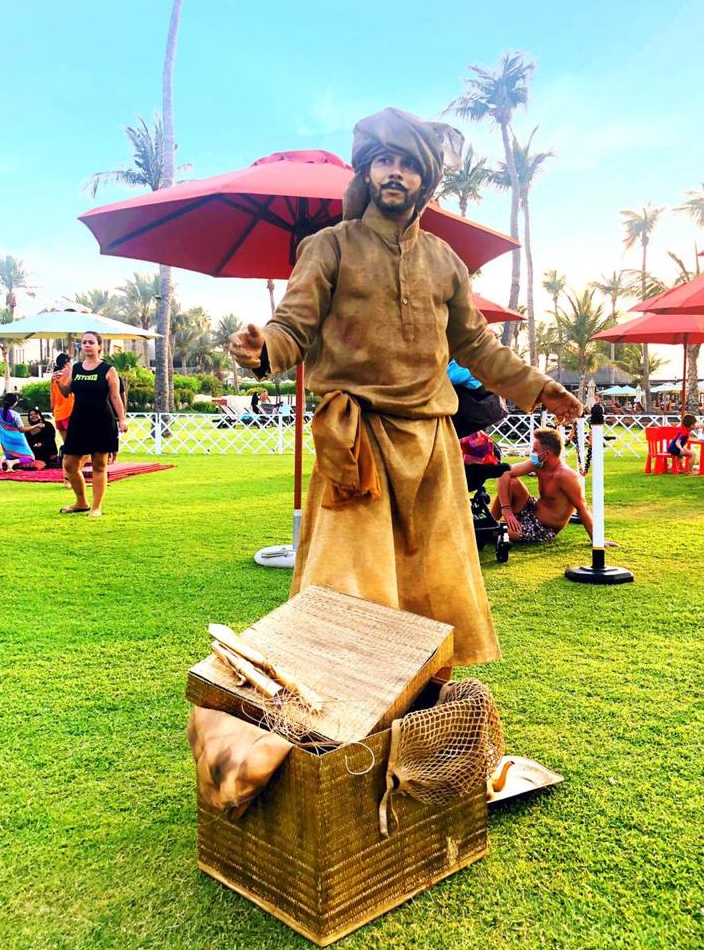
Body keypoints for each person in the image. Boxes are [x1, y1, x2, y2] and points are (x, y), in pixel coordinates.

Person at [230, 106, 581, 668]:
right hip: (357, 439)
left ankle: (426, 685)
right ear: (368, 171)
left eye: (408, 164)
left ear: (424, 180)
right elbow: (293, 326)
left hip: (432, 441)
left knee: (433, 575)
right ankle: (340, 684)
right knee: (347, 576)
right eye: (384, 161)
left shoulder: (444, 261)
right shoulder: (329, 246)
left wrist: (540, 388)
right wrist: (263, 349)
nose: (395, 172)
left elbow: (477, 345)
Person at [490, 427, 614, 545]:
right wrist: (506, 509)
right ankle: (490, 521)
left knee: (494, 533)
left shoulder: (566, 476)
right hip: (531, 509)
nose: (532, 453)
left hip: (542, 528)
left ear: (546, 454)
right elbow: (504, 473)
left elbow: (582, 507)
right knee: (511, 482)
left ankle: (488, 529)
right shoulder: (538, 463)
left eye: (535, 450)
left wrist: (597, 540)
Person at [52, 331, 128, 516]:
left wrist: (122, 419)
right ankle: (81, 502)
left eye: (91, 342)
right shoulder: (76, 368)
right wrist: (58, 382)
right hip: (78, 421)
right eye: (84, 342)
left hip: (102, 421)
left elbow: (115, 396)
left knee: (99, 465)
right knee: (70, 464)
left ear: (99, 346)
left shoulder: (108, 369)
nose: (87, 345)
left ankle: (96, 507)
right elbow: (66, 392)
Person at [0, 393, 42, 471]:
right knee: (30, 458)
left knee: (10, 456)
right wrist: (37, 425)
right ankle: (12, 462)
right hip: (18, 441)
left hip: (5, 442)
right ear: (15, 403)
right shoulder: (15, 415)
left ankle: (2, 460)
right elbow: (22, 430)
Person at [50, 352, 75, 446]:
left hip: (58, 412)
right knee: (75, 442)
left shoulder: (55, 375)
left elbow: (52, 395)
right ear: (67, 361)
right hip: (69, 410)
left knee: (67, 444)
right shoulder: (71, 373)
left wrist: (53, 409)